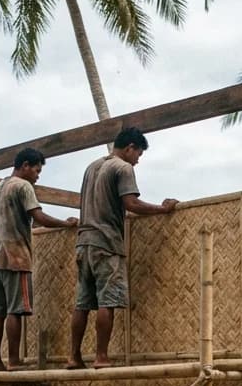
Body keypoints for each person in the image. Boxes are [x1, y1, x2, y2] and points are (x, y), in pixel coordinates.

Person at [67, 127, 178, 369]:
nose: (137, 160)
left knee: (82, 303)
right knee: (107, 301)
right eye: (138, 154)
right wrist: (162, 209)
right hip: (106, 243)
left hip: (83, 242)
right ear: (130, 148)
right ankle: (101, 357)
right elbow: (132, 203)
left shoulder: (92, 167)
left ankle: (74, 357)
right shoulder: (123, 168)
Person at [0, 148, 78, 371]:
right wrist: (65, 224)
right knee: (15, 311)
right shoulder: (23, 186)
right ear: (25, 165)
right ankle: (14, 361)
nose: (37, 176)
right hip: (16, 257)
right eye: (37, 171)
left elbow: (22, 217)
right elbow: (39, 216)